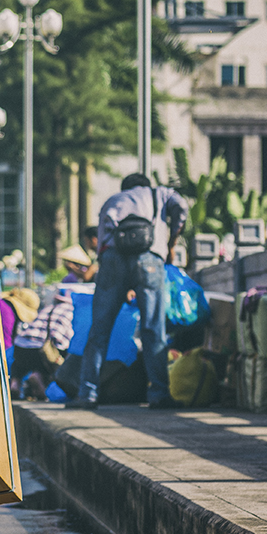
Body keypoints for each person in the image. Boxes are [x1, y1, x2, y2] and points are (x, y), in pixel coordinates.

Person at [69, 173, 187, 410]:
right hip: (149, 258)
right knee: (153, 328)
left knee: (99, 330)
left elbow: (102, 240)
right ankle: (159, 394)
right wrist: (172, 237)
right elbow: (181, 206)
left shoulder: (112, 200)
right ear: (146, 186)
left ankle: (87, 394)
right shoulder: (159, 194)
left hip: (113, 259)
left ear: (125, 188)